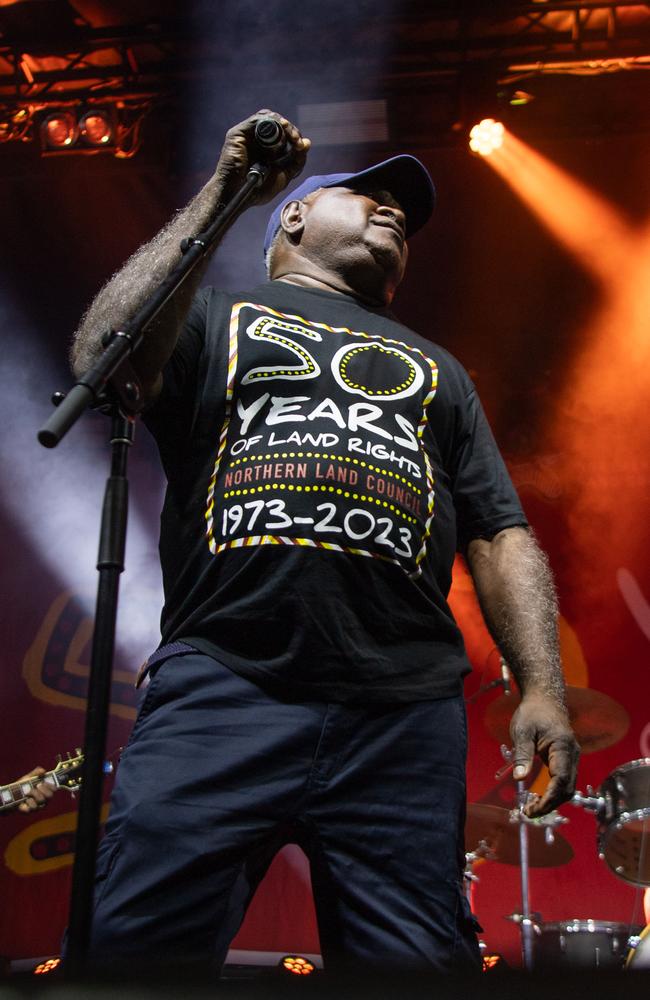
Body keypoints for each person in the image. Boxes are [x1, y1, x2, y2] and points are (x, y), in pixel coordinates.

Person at [70, 109, 579, 975]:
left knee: (417, 970)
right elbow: (103, 360)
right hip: (229, 681)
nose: (393, 214)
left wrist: (543, 687)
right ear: (294, 219)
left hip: (402, 712)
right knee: (135, 957)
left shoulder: (439, 369)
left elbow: (499, 531)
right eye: (369, 195)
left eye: (404, 215)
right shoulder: (212, 314)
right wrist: (227, 195)